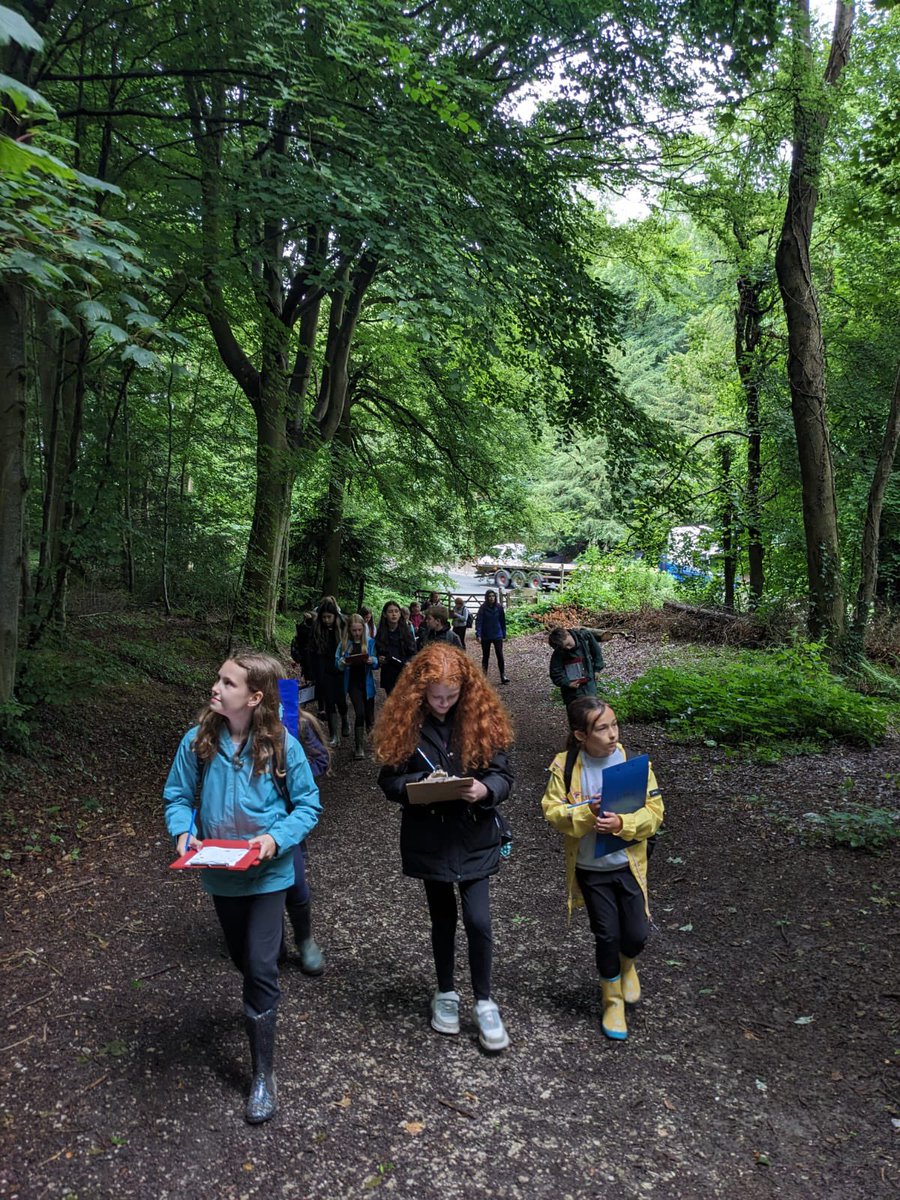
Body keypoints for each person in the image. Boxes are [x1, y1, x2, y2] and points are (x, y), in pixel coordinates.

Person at [163, 652, 322, 1122]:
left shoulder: (282, 745)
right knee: (242, 959)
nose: (216, 687)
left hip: (269, 873)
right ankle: (262, 991)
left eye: (228, 683)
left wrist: (276, 839)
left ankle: (262, 1076)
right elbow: (177, 796)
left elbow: (308, 805)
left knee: (259, 966)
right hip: (221, 873)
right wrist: (182, 831)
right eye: (219, 679)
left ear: (254, 697)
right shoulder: (198, 740)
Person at [373, 642, 514, 1052]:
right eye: (436, 697)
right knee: (443, 919)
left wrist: (485, 790)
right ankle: (446, 992)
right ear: (421, 691)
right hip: (430, 837)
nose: (443, 704)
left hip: (474, 834)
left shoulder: (479, 717)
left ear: (464, 690)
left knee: (479, 920)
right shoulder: (407, 722)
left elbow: (504, 775)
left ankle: (485, 1002)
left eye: (451, 696)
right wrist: (419, 785)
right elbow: (389, 781)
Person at [540, 697, 663, 1041]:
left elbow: (655, 812)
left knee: (636, 935)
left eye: (614, 724)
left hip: (628, 865)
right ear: (581, 735)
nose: (613, 734)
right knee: (607, 934)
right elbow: (552, 812)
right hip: (591, 869)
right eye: (602, 728)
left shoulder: (631, 763)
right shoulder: (566, 766)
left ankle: (627, 965)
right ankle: (612, 1000)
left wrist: (623, 823)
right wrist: (586, 813)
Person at [282, 708, 330, 975]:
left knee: (294, 880)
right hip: (249, 821)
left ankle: (304, 940)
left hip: (289, 819)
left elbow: (321, 760)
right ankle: (272, 939)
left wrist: (293, 772)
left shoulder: (298, 723)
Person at [336, 613, 379, 759]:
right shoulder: (344, 644)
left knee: (369, 715)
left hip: (366, 683)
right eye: (354, 630)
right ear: (349, 630)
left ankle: (371, 741)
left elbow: (376, 662)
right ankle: (359, 747)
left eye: (359, 630)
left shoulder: (370, 642)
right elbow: (337, 662)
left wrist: (372, 660)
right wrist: (343, 662)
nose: (357, 633)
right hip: (352, 684)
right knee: (359, 712)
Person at [309, 596, 348, 746]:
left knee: (341, 700)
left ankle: (344, 719)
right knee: (329, 701)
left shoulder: (342, 626)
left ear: (334, 616)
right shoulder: (317, 629)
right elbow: (312, 651)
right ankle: (334, 735)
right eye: (324, 617)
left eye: (329, 617)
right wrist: (314, 673)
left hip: (340, 669)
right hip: (324, 669)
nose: (326, 620)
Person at [547, 625, 605, 707]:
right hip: (571, 693)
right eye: (565, 647)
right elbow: (555, 673)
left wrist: (597, 669)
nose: (568, 648)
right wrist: (568, 683)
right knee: (575, 711)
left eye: (568, 644)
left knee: (591, 709)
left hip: (589, 685)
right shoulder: (559, 652)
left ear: (568, 634)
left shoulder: (585, 637)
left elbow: (597, 653)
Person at [375, 600, 417, 695]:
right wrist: (379, 658)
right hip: (389, 672)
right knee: (392, 700)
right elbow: (377, 652)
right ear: (385, 614)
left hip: (404, 671)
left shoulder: (407, 632)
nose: (394, 614)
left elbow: (413, 652)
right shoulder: (381, 633)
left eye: (396, 611)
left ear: (400, 614)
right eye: (390, 612)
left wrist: (408, 663)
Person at [475, 590, 509, 683]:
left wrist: (504, 633)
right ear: (487, 597)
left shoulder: (499, 607)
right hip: (486, 635)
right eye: (489, 596)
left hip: (497, 634)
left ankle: (503, 675)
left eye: (493, 596)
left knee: (500, 654)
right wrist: (478, 634)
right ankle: (484, 676)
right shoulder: (483, 608)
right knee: (486, 656)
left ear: (495, 597)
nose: (491, 598)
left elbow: (502, 621)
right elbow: (479, 621)